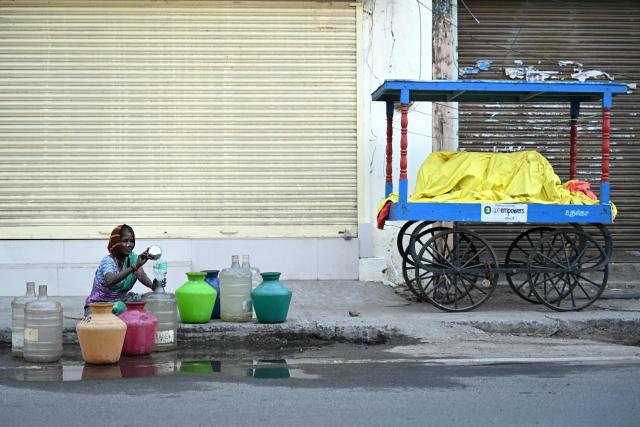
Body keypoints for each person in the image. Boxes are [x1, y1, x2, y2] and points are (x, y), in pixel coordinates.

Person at [85, 224, 164, 315]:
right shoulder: (108, 261)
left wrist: (154, 286)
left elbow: (141, 275)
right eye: (125, 241)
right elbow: (110, 281)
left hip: (122, 300)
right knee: (120, 307)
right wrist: (134, 266)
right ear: (116, 242)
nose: (129, 244)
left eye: (132, 241)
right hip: (99, 307)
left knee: (149, 299)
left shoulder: (133, 258)